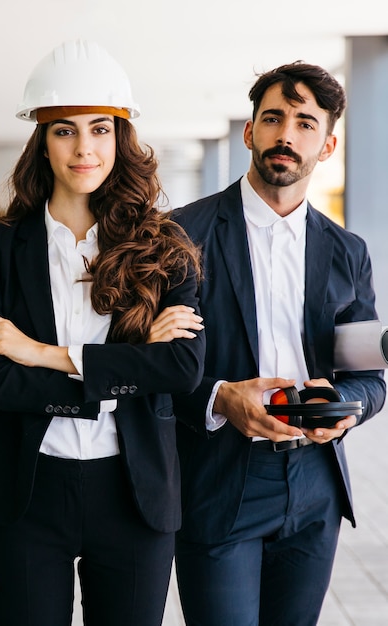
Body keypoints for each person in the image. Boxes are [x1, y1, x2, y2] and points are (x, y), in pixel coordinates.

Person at [0, 39, 205, 626]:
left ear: (121, 139)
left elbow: (181, 369)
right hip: (27, 491)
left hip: (133, 491)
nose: (84, 148)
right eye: (65, 130)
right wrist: (126, 367)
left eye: (100, 129)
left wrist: (40, 353)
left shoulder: (163, 246)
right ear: (41, 141)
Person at [171, 61, 386, 625]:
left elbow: (367, 374)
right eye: (272, 119)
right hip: (219, 478)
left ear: (328, 143)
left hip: (315, 486)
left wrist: (349, 407)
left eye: (304, 123)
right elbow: (154, 365)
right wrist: (219, 398)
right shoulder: (180, 236)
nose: (286, 135)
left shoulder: (348, 251)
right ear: (249, 132)